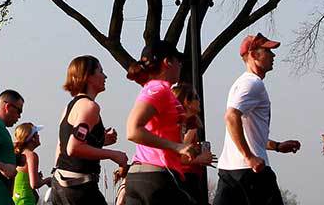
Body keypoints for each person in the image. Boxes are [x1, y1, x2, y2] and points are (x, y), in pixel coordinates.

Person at [212, 33, 301, 205]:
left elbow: (246, 131)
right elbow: (231, 117)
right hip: (251, 172)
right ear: (253, 55)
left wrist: (276, 146)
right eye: (268, 51)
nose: (273, 55)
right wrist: (249, 156)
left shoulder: (240, 83)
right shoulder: (253, 83)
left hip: (229, 171)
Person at [123, 41, 201, 205]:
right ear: (168, 62)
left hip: (142, 176)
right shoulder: (158, 90)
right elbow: (133, 130)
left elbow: (161, 125)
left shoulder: (160, 90)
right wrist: (177, 147)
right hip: (157, 176)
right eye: (178, 61)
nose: (180, 65)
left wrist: (187, 121)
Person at [53, 56, 127, 205]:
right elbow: (73, 148)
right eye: (100, 71)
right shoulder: (90, 107)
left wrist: (101, 140)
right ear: (88, 77)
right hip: (79, 188)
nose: (105, 76)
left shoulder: (70, 107)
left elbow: (63, 144)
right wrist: (114, 155)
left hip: (61, 185)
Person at [170, 83, 219, 198]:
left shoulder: (191, 124)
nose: (199, 101)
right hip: (184, 179)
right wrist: (200, 158)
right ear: (187, 102)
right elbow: (180, 156)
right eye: (196, 97)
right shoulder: (185, 127)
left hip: (190, 177)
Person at [11, 122, 48, 205]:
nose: (39, 136)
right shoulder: (31, 156)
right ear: (32, 138)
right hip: (26, 200)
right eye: (37, 134)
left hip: (16, 199)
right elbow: (34, 184)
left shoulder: (18, 154)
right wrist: (48, 180)